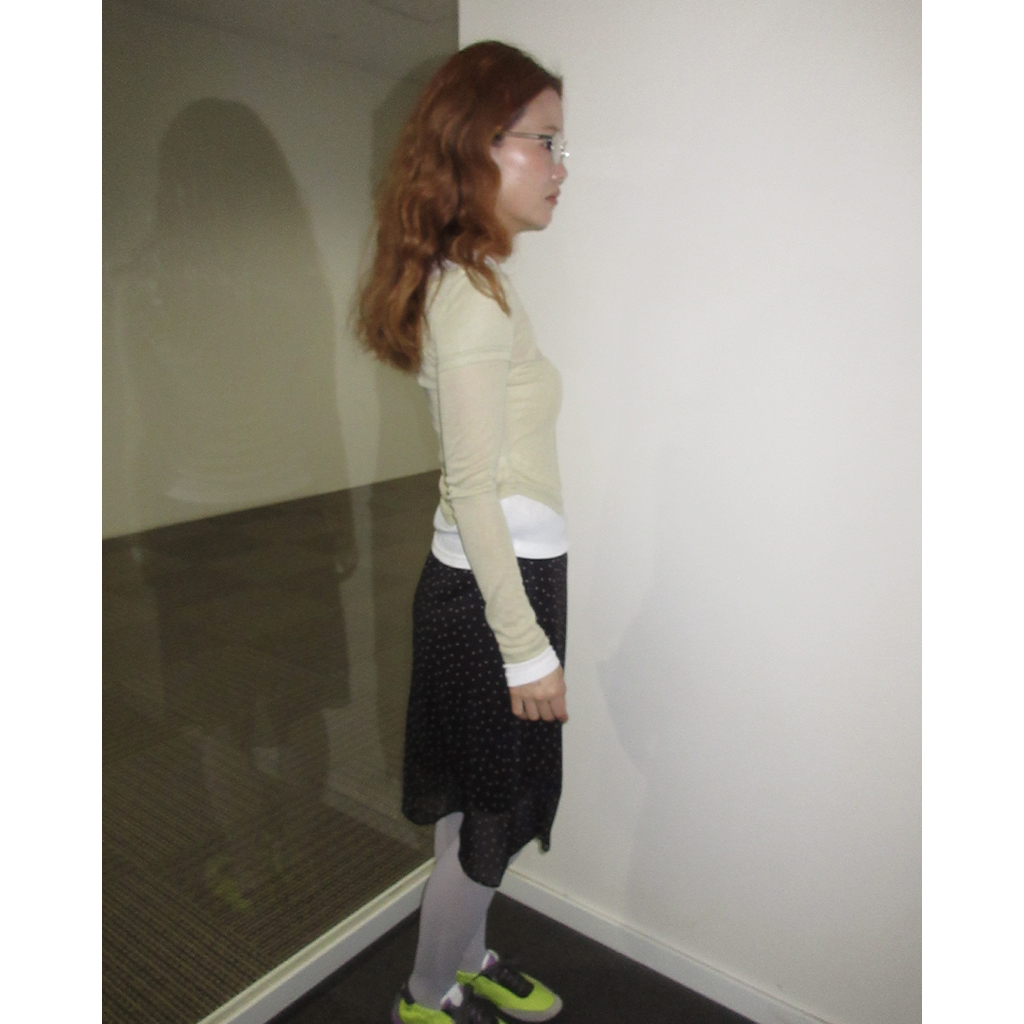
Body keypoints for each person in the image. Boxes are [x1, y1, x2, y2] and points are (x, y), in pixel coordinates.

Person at [357, 40, 571, 1024]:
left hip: (492, 587)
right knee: (490, 820)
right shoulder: (471, 297)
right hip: (495, 600)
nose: (561, 165)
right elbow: (472, 486)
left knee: (475, 813)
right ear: (481, 144)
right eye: (545, 141)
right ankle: (424, 997)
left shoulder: (469, 279)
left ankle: (463, 956)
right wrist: (524, 646)